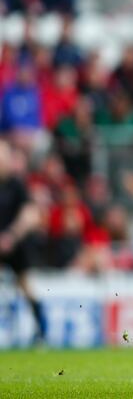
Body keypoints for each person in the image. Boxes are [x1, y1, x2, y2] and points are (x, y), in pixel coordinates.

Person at [0, 140, 47, 344]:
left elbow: (31, 214)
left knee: (26, 285)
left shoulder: (17, 184)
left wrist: (12, 235)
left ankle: (41, 332)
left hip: (15, 243)